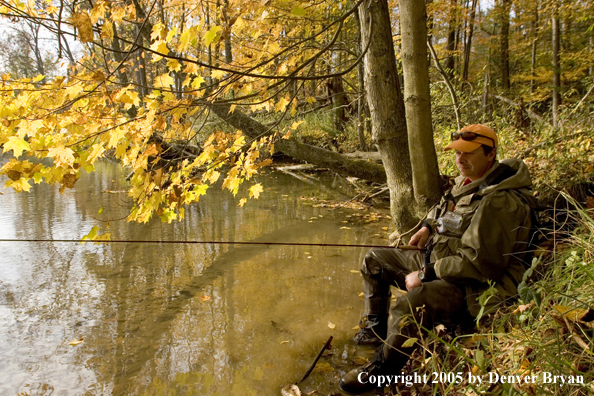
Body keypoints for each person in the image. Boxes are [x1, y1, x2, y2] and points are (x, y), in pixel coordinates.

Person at [339, 124, 538, 394]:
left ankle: (380, 373)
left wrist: (424, 274)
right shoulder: (470, 182)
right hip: (446, 264)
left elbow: (480, 266)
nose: (460, 160)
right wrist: (428, 227)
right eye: (457, 153)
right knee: (375, 259)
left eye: (468, 153)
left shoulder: (499, 201)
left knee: (410, 304)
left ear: (490, 154)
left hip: (478, 288)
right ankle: (374, 333)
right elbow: (451, 213)